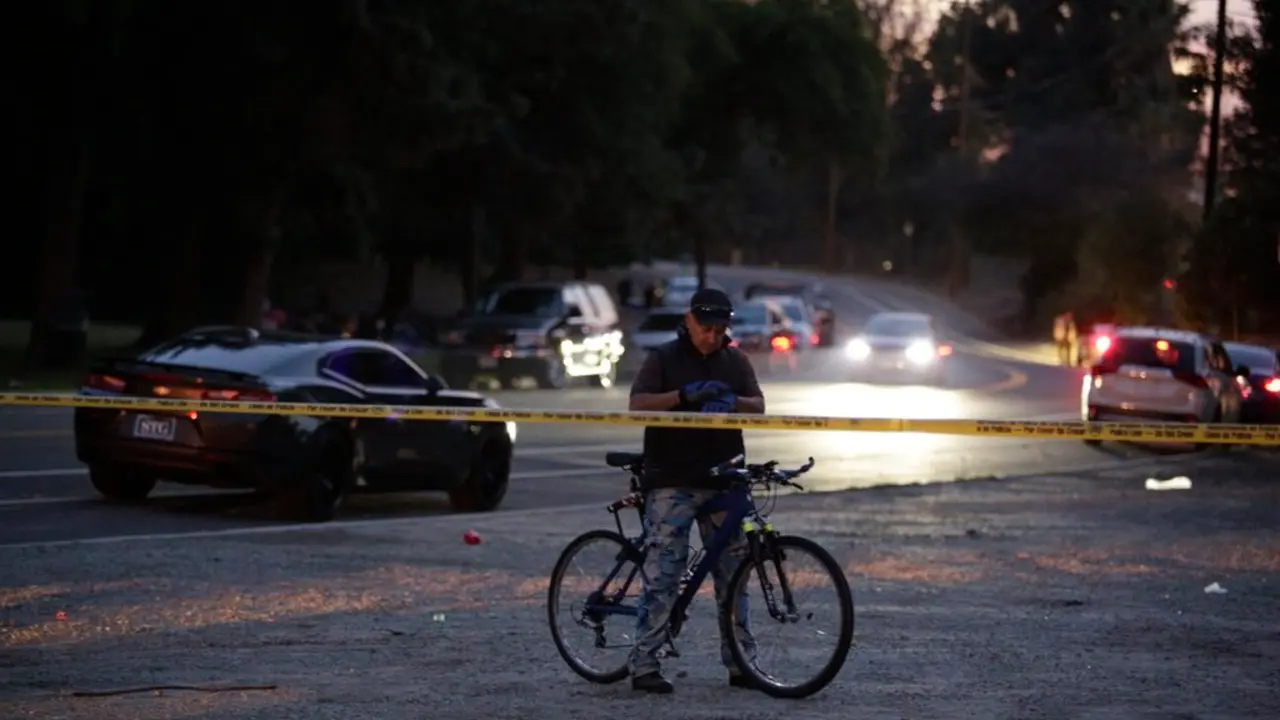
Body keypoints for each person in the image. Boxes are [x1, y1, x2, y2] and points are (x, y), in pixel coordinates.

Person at [626, 288, 767, 694]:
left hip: (723, 478)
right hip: (673, 477)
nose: (712, 336)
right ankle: (645, 662)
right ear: (688, 322)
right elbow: (638, 404)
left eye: (721, 329)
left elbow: (758, 405)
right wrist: (683, 396)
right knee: (664, 572)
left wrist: (731, 400)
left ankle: (741, 662)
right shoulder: (664, 358)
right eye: (706, 328)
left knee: (734, 573)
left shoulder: (735, 359)